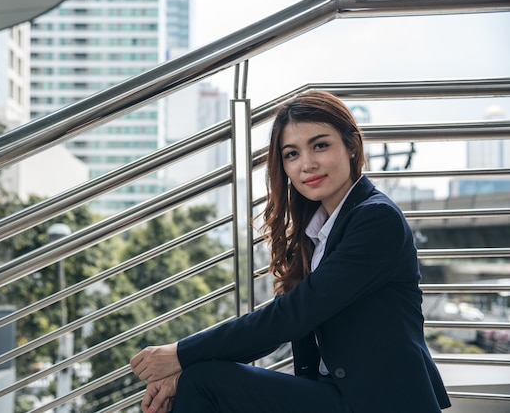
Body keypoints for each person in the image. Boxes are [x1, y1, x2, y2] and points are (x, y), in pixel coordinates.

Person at [130, 90, 451, 413]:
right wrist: (182, 368)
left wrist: (180, 355)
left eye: (320, 145)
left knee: (203, 382)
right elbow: (285, 322)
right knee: (198, 380)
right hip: (341, 395)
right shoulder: (320, 229)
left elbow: (293, 316)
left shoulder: (376, 220)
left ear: (352, 146)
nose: (307, 165)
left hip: (380, 402)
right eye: (291, 154)